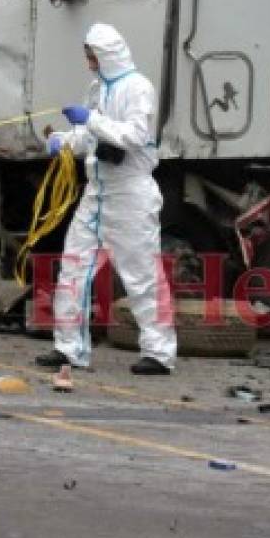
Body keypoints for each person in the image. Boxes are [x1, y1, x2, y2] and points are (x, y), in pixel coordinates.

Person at [35, 23, 176, 382]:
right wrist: (64, 142)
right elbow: (89, 138)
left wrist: (92, 121)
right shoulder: (98, 88)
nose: (88, 64)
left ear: (106, 55)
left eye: (91, 57)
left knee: (142, 274)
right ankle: (69, 348)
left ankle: (159, 353)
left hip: (130, 192)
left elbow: (133, 136)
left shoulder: (138, 88)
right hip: (98, 191)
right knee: (73, 267)